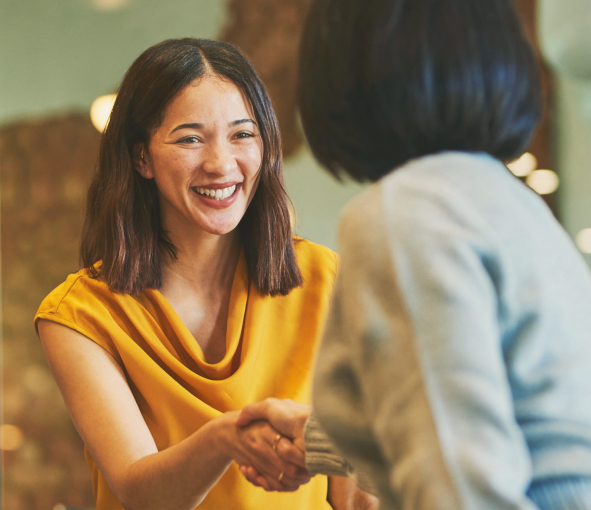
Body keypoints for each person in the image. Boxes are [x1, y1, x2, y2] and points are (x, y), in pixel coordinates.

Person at [237, 0, 591, 509]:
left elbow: (457, 485)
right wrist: (319, 442)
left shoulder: (405, 214)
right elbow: (501, 433)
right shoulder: (511, 202)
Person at [34, 38, 368, 510]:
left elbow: (355, 495)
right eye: (190, 138)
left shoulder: (324, 277)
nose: (220, 163)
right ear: (141, 159)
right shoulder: (78, 315)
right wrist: (228, 438)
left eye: (242, 134)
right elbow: (141, 495)